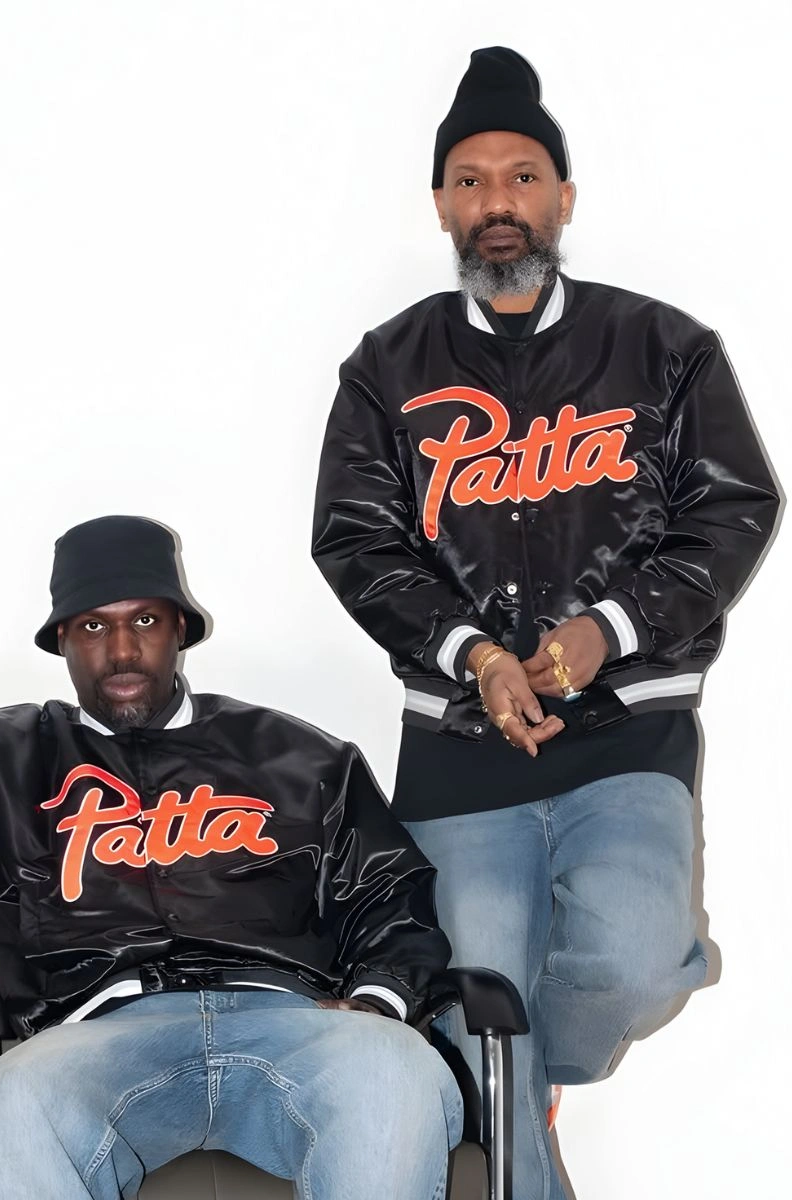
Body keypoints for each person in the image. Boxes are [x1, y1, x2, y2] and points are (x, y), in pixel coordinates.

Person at [311, 46, 780, 1200]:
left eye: (521, 177)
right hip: (459, 747)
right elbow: (355, 540)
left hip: (626, 729)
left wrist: (607, 629)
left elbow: (734, 504)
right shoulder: (386, 368)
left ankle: (522, 1063)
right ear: (439, 204)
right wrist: (472, 654)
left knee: (631, 965)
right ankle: (504, 1077)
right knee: (480, 1011)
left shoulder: (661, 348)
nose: (497, 202)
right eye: (469, 180)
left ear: (562, 197)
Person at [0, 515, 461, 1200]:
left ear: (179, 629)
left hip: (294, 1024)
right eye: (93, 627)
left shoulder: (297, 755)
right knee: (11, 1106)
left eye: (144, 621)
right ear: (62, 640)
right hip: (100, 1037)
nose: (120, 650)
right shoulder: (3, 756)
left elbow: (388, 895)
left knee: (395, 1070)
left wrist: (379, 1000)